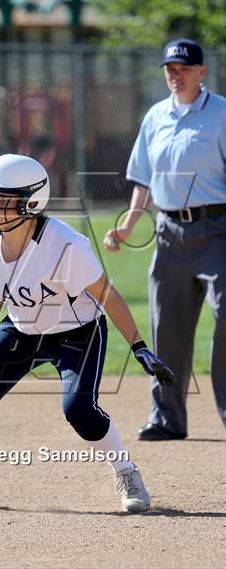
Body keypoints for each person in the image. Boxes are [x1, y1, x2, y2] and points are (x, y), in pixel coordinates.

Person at [0, 154, 174, 513]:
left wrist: (139, 346)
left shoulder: (65, 244)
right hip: (21, 329)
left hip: (77, 334)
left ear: (32, 202)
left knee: (79, 411)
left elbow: (105, 293)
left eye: (3, 199)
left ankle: (127, 472)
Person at [104, 39, 226, 440]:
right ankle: (167, 419)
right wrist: (128, 225)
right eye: (169, 68)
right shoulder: (155, 116)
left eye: (184, 68)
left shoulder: (222, 114)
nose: (175, 74)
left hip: (217, 229)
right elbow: (143, 179)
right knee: (166, 329)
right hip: (169, 234)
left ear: (201, 72)